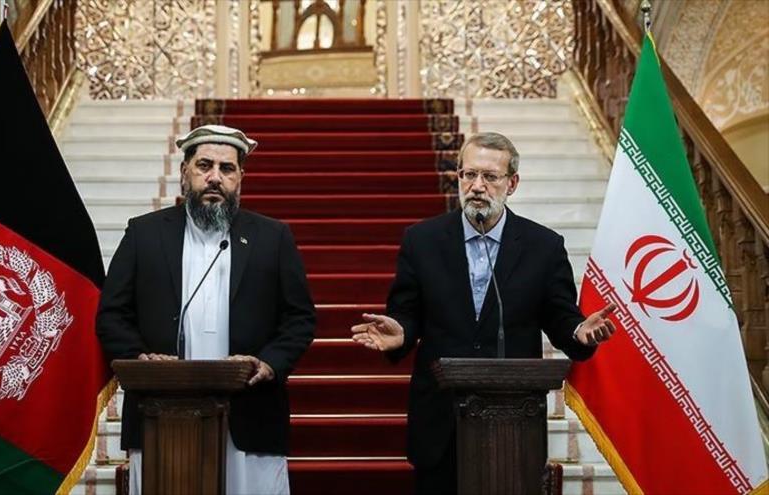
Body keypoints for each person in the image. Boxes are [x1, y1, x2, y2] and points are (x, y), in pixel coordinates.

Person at [351, 132, 616, 495]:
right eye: (469, 175)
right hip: (441, 421)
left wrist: (578, 333)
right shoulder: (422, 240)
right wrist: (401, 332)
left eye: (490, 177)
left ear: (512, 183)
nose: (477, 186)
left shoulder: (543, 247)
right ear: (458, 176)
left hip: (514, 424)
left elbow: (561, 319)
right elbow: (407, 314)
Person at [96, 125, 316, 495]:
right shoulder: (144, 233)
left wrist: (267, 364)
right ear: (185, 172)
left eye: (227, 169)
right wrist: (139, 358)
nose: (215, 177)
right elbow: (112, 314)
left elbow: (299, 318)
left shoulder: (272, 237)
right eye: (204, 165)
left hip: (250, 412)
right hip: (160, 412)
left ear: (241, 177)